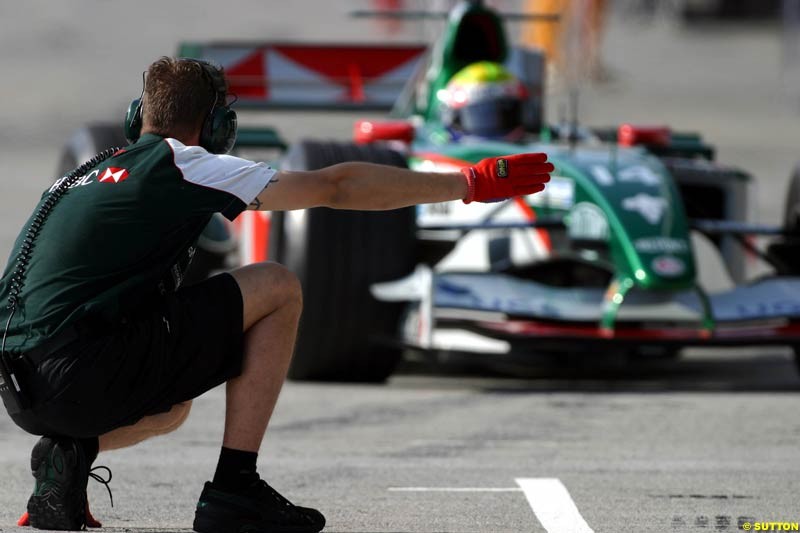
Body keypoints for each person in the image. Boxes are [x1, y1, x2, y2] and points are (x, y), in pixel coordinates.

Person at [0, 57, 553, 533]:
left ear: (135, 116)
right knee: (275, 286)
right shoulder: (181, 165)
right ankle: (235, 488)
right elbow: (335, 187)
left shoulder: (86, 174)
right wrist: (468, 184)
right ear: (216, 124)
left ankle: (69, 457)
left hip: (22, 388)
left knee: (173, 407)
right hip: (80, 370)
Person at [437, 61, 529, 142]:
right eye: (478, 115)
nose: (492, 121)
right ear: (453, 117)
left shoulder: (530, 152)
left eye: (505, 114)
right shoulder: (438, 156)